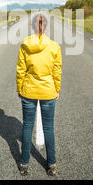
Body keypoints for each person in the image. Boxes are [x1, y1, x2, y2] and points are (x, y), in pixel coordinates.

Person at [15, 13, 62, 176]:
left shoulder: (25, 45)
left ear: (33, 27)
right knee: (49, 127)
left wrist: (19, 88)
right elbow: (57, 71)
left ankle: (24, 164)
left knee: (27, 126)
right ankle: (52, 165)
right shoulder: (54, 46)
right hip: (48, 91)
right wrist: (57, 89)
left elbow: (21, 69)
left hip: (29, 90)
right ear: (46, 27)